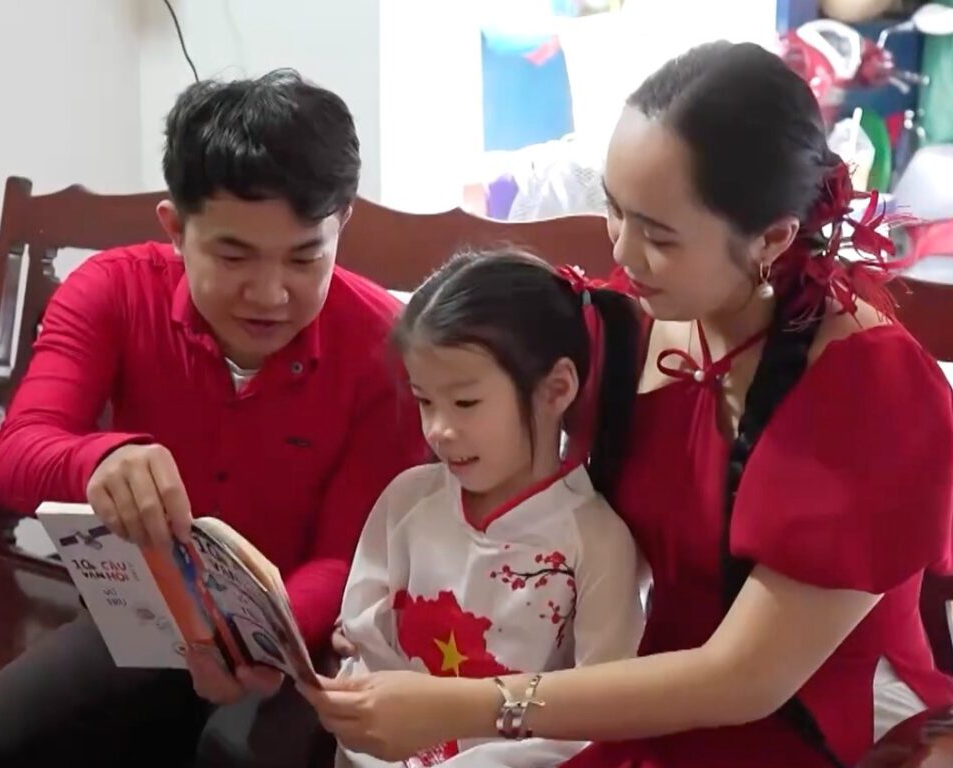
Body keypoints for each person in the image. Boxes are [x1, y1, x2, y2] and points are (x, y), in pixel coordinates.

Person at [299, 41, 953, 768]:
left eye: (659, 236)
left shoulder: (868, 391)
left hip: (808, 723)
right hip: (623, 684)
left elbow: (745, 679)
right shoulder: (621, 322)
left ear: (772, 237)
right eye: (615, 210)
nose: (623, 253)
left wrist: (470, 704)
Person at [0, 70, 425, 768]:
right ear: (174, 228)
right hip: (145, 614)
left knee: (234, 755)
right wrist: (99, 459)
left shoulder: (385, 346)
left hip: (305, 639)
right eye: (233, 255)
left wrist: (250, 633)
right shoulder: (110, 291)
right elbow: (15, 457)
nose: (270, 294)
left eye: (305, 257)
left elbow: (351, 556)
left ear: (341, 225)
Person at [334, 249, 646, 767]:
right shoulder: (408, 499)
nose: (439, 430)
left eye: (465, 403)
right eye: (425, 401)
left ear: (556, 389)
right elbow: (365, 649)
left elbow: (599, 715)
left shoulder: (596, 541)